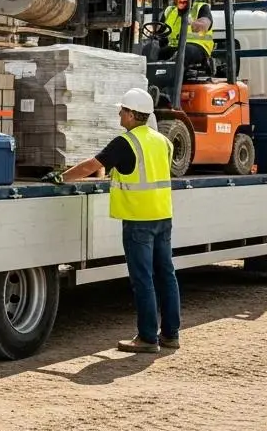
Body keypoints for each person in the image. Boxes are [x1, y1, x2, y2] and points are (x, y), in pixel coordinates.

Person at [44, 87, 180, 354]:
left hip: (138, 220)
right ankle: (171, 335)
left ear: (131, 114)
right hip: (163, 217)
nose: (119, 113)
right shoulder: (163, 141)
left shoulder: (126, 142)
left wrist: (61, 177)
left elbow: (90, 166)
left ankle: (147, 338)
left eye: (122, 110)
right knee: (166, 276)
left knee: (143, 279)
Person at [146, 0, 214, 69]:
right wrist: (151, 31)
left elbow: (204, 26)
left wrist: (191, 21)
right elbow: (159, 31)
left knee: (183, 52)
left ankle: (173, 75)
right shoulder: (170, 10)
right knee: (150, 50)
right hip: (175, 47)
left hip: (197, 48)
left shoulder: (202, 8)